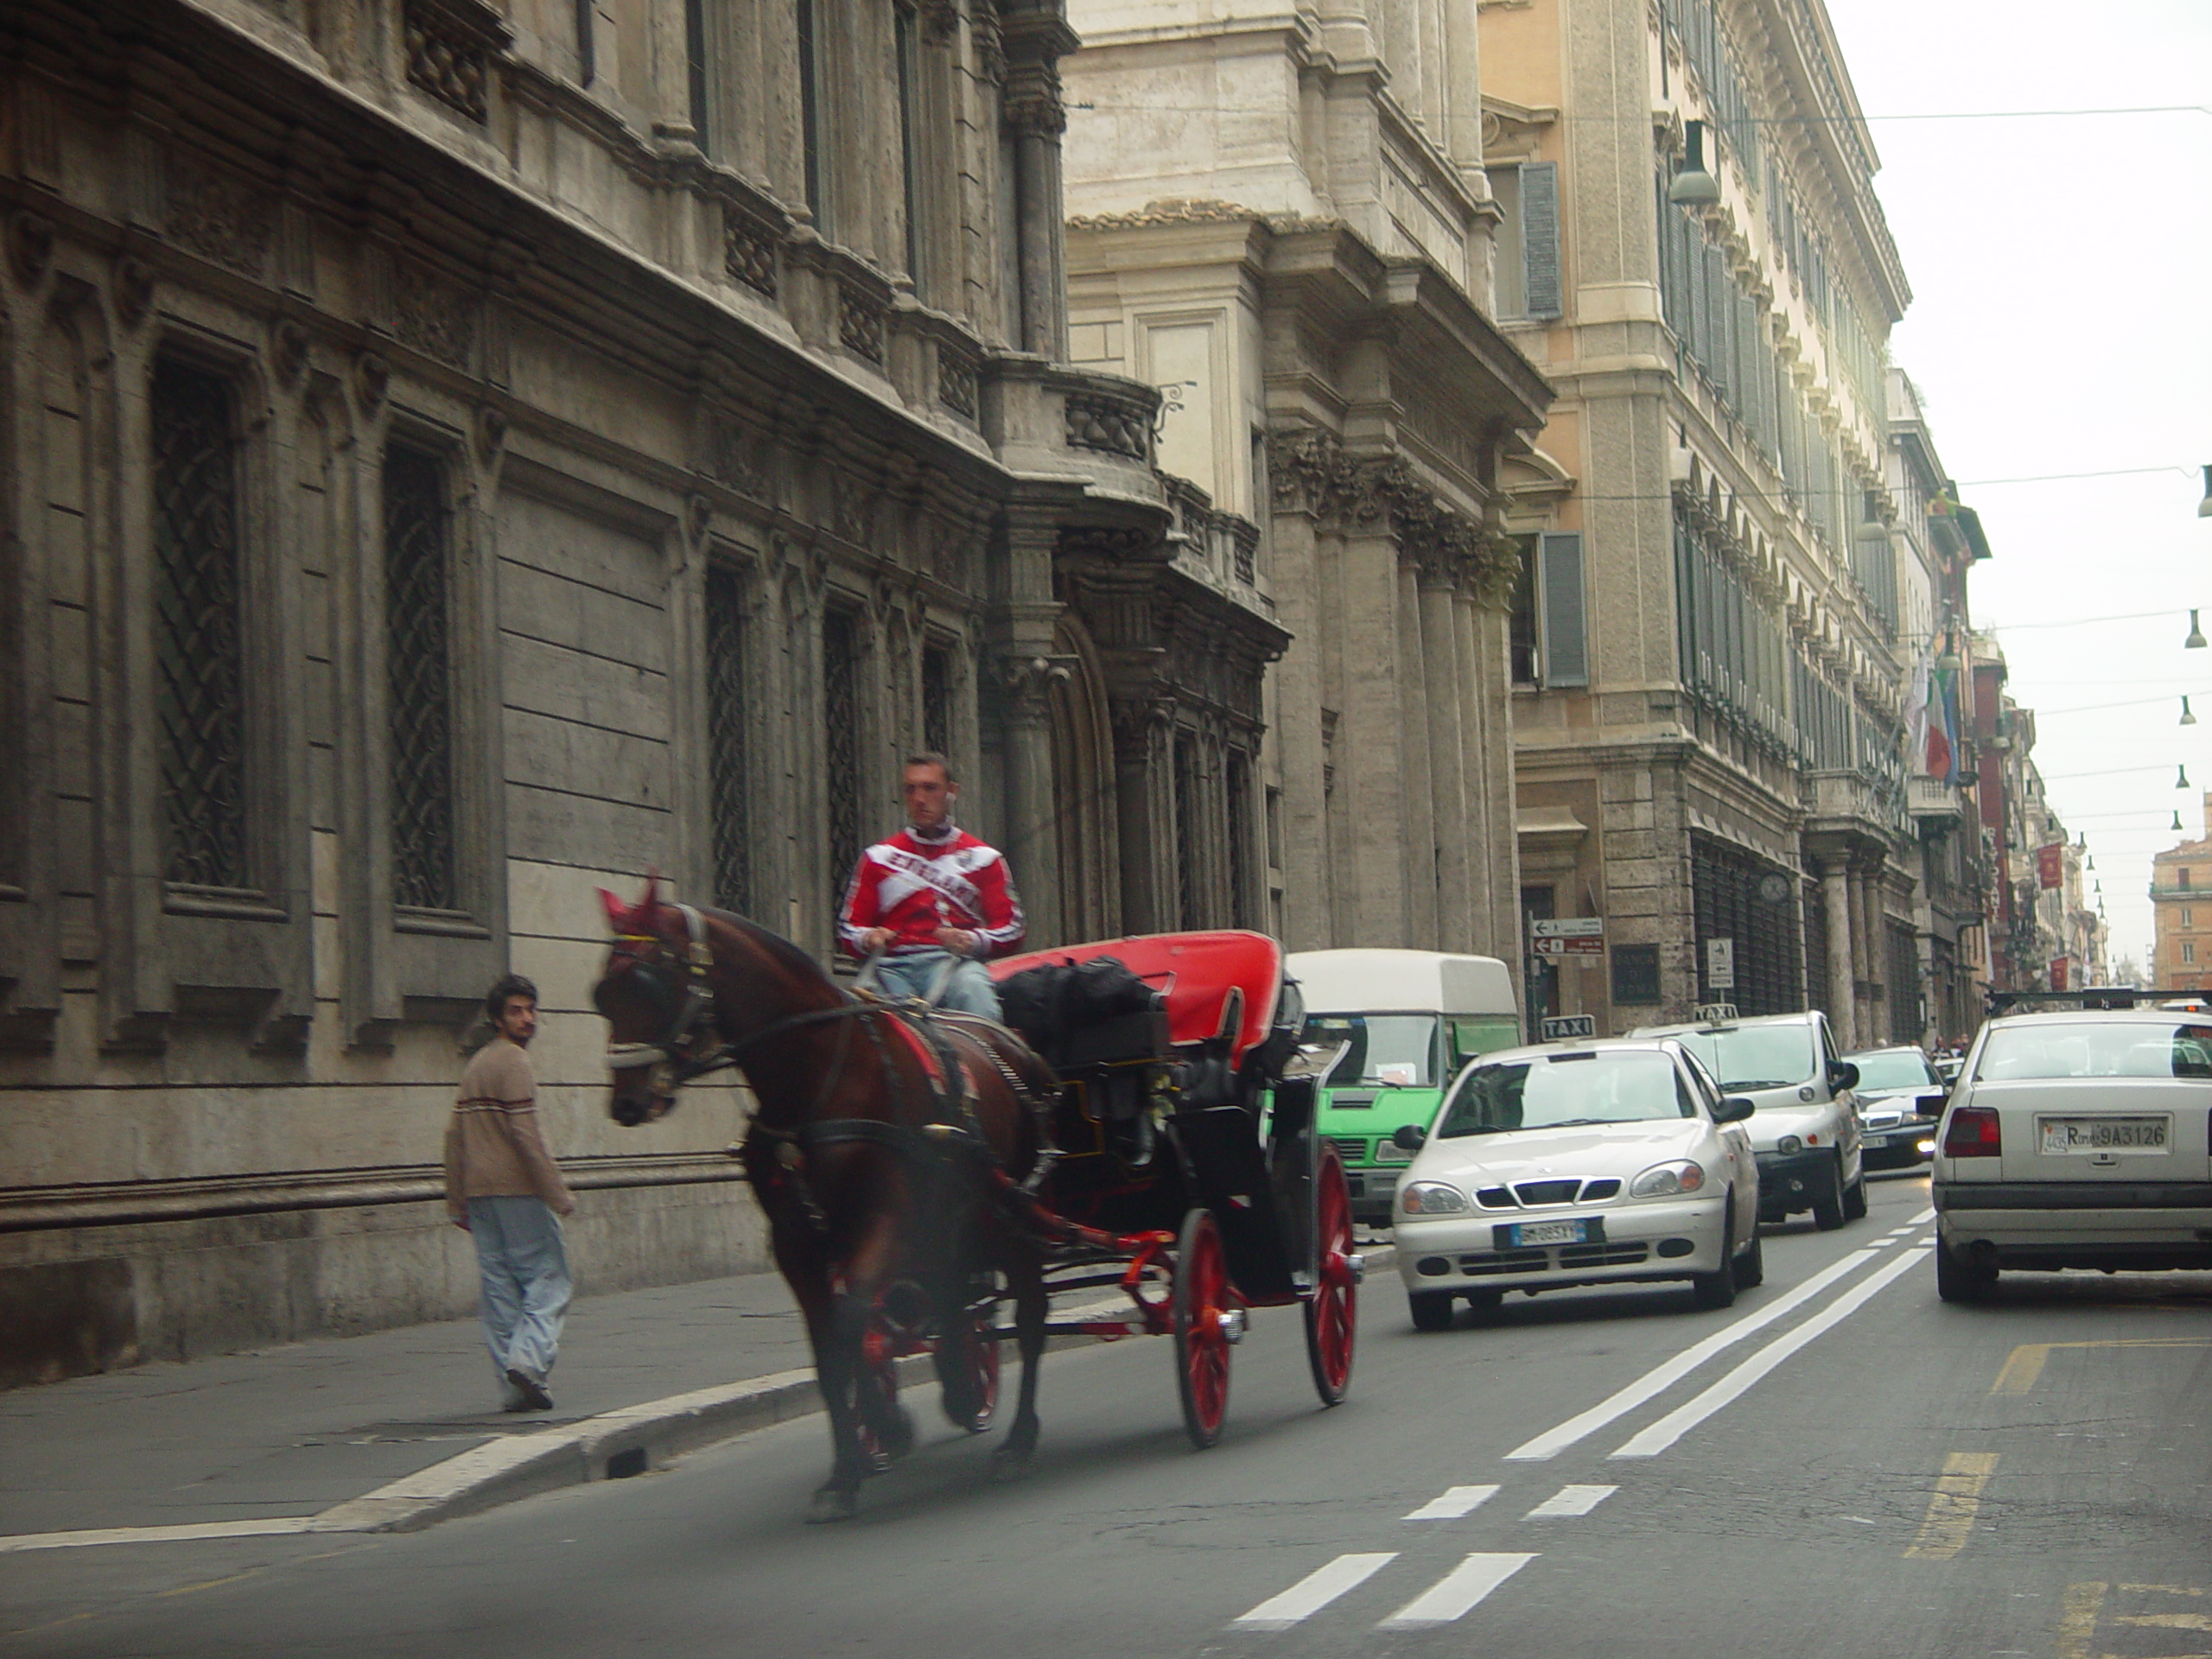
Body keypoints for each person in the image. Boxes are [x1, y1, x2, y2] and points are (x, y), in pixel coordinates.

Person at [444, 975, 575, 1413]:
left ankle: (513, 1387)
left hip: (480, 1193)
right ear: (498, 1018)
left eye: (531, 1009)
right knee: (548, 1280)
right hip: (518, 1190)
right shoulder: (515, 1062)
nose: (527, 1019)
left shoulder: (476, 1064)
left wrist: (456, 1198)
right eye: (516, 1011)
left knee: (500, 1289)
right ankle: (528, 1361)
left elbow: (454, 1136)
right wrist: (557, 1193)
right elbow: (525, 1134)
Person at [837, 752, 1025, 1019]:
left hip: (955, 965)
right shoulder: (878, 857)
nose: (919, 799)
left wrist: (972, 940)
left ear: (951, 792)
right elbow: (848, 929)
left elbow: (1012, 929)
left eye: (930, 788)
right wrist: (868, 938)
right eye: (910, 790)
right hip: (890, 967)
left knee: (975, 992)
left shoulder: (984, 859)